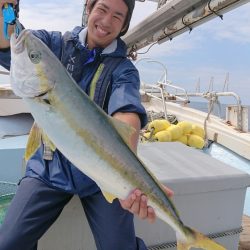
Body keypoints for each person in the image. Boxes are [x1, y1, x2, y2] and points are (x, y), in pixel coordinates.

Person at [0, 0, 173, 249]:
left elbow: (127, 115)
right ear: (88, 9)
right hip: (49, 168)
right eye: (101, 9)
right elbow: (11, 39)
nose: (106, 21)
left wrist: (129, 177)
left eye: (117, 16)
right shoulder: (53, 44)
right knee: (8, 243)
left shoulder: (123, 70)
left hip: (99, 175)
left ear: (124, 25)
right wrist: (5, 10)